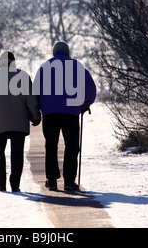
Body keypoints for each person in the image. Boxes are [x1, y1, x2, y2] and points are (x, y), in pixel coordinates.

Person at [34, 41, 96, 191]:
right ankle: (69, 181)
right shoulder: (78, 66)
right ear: (67, 52)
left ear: (54, 52)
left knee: (51, 145)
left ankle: (52, 180)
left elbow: (34, 91)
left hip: (50, 114)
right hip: (71, 114)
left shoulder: (45, 67)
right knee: (72, 146)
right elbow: (91, 90)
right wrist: (83, 105)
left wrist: (38, 108)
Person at [0, 51, 41, 192]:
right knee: (17, 154)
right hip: (19, 123)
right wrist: (36, 116)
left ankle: (1, 184)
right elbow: (31, 100)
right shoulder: (23, 76)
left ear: (0, 63)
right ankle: (15, 184)